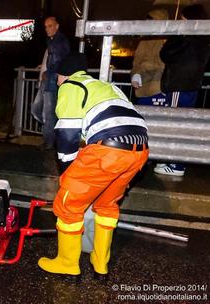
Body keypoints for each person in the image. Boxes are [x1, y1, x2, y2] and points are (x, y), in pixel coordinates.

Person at [38, 53, 149, 280]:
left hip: (108, 149)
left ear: (63, 75)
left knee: (68, 206)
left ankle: (67, 265)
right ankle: (100, 265)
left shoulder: (71, 86)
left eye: (58, 77)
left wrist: (68, 168)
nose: (57, 81)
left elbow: (68, 133)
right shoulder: (107, 87)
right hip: (140, 148)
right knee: (107, 205)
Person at [154, 4, 210, 176]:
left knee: (174, 123)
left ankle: (175, 163)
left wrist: (176, 35)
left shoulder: (187, 38)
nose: (181, 21)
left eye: (183, 19)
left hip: (179, 85)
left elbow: (165, 54)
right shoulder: (203, 39)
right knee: (183, 123)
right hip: (191, 86)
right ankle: (175, 161)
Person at [40, 16, 70, 150]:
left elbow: (60, 61)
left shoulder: (60, 41)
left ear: (57, 26)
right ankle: (52, 139)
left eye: (50, 26)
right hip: (51, 80)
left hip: (53, 81)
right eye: (46, 26)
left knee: (49, 113)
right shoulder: (52, 40)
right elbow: (53, 60)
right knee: (42, 110)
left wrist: (49, 72)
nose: (47, 29)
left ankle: (49, 142)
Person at [131, 9, 169, 106]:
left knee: (161, 119)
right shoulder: (144, 40)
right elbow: (136, 63)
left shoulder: (168, 40)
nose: (148, 25)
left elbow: (168, 64)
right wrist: (135, 74)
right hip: (143, 88)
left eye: (152, 22)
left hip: (160, 88)